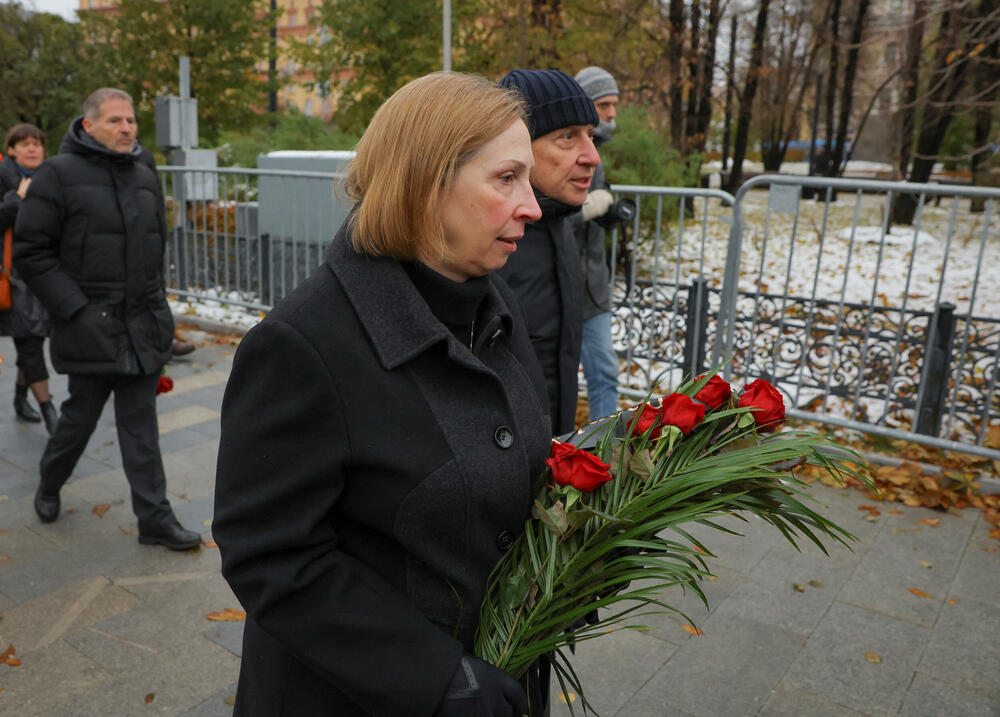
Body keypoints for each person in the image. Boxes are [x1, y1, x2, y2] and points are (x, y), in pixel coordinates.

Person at [213, 72, 551, 716]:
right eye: (507, 178)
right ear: (426, 184)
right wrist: (437, 680)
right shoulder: (303, 342)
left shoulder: (493, 301)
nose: (532, 205)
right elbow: (271, 557)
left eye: (528, 179)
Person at [13, 88, 201, 550]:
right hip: (89, 326)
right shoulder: (57, 174)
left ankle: (155, 520)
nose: (127, 128)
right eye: (115, 120)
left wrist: (160, 311)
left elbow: (153, 247)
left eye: (131, 120)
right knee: (78, 421)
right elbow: (31, 252)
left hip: (142, 325)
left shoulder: (144, 168)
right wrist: (76, 309)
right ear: (89, 125)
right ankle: (49, 483)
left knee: (140, 427)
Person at [496, 69, 600, 436]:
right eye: (567, 137)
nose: (592, 156)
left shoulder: (560, 224)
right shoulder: (488, 242)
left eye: (591, 135)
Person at [0, 123, 58, 434]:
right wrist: (16, 197)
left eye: (37, 143)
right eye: (24, 144)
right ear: (11, 150)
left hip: (47, 273)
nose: (32, 148)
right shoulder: (5, 179)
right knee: (30, 340)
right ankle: (50, 411)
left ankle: (20, 399)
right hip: (14, 275)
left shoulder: (53, 178)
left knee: (31, 338)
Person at [573, 66, 622, 421]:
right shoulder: (559, 149)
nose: (612, 114)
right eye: (604, 105)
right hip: (559, 288)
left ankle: (602, 455)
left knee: (605, 373)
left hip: (595, 290)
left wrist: (607, 211)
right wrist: (588, 208)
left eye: (614, 105)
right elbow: (539, 216)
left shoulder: (597, 154)